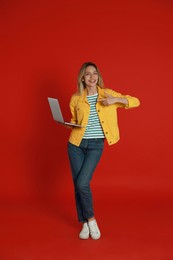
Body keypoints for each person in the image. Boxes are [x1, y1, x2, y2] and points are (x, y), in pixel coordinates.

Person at [67, 62, 140, 240]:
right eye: (87, 74)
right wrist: (68, 123)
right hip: (75, 144)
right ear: (82, 78)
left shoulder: (108, 94)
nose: (92, 77)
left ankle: (91, 220)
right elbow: (74, 119)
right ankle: (84, 222)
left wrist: (115, 100)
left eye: (95, 74)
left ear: (98, 76)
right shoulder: (76, 98)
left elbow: (136, 101)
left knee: (82, 183)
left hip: (95, 145)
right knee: (78, 184)